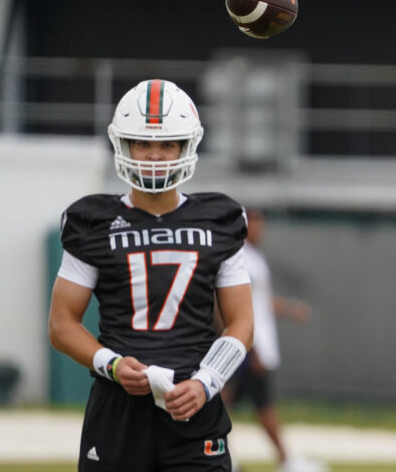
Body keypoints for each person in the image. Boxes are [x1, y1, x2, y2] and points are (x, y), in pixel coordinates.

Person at [48, 79, 254, 472]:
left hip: (194, 404)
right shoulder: (93, 221)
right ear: (123, 146)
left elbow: (242, 322)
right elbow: (61, 324)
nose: (155, 155)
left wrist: (207, 382)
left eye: (167, 144)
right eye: (143, 143)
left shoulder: (220, 218)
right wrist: (110, 363)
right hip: (118, 411)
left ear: (186, 146)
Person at [221, 208, 318, 472]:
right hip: (248, 347)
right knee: (242, 404)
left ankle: (229, 457)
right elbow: (242, 306)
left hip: (251, 346)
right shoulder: (240, 258)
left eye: (262, 225)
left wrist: (288, 309)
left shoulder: (254, 258)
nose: (259, 230)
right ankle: (284, 461)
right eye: (254, 225)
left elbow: (261, 302)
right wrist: (254, 349)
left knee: (233, 404)